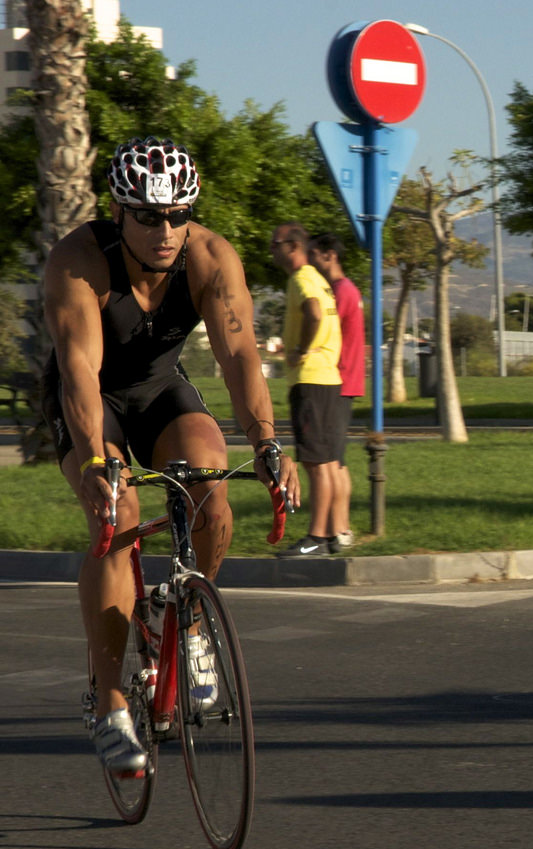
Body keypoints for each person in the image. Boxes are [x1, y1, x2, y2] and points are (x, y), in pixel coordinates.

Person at [45, 135, 297, 776]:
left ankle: (190, 626)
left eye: (178, 215)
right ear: (119, 210)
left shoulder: (211, 257)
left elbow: (240, 357)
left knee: (213, 490)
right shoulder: (78, 262)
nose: (166, 231)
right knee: (119, 518)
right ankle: (109, 703)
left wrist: (268, 442)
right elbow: (79, 367)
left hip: (159, 390)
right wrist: (99, 463)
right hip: (90, 396)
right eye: (150, 216)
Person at [268, 222, 346, 556]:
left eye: (276, 244)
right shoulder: (318, 278)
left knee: (315, 463)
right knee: (326, 462)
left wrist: (299, 348)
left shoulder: (301, 279)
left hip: (310, 380)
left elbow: (313, 313)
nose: (272, 250)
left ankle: (315, 537)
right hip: (328, 379)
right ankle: (327, 536)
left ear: (293, 246)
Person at [309, 232, 360, 549]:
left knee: (331, 462)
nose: (310, 260)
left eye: (313, 253)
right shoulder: (347, 289)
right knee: (337, 461)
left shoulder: (338, 292)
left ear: (329, 255)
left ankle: (338, 529)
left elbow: (328, 334)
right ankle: (340, 529)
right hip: (347, 381)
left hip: (336, 381)